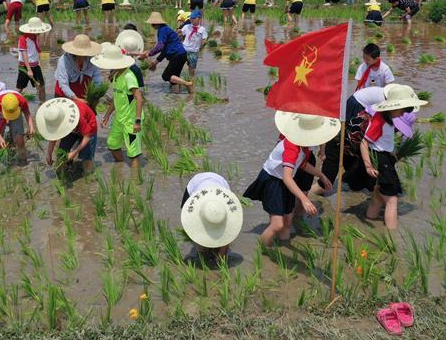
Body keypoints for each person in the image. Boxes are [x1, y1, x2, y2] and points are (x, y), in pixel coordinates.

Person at [243, 112, 338, 246]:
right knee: (277, 224)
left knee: (287, 221)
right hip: (273, 181)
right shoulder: (291, 146)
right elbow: (287, 177)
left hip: (284, 181)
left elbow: (303, 164)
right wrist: (304, 199)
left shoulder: (303, 146)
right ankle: (262, 251)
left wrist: (321, 175)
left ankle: (282, 249)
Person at [350, 85, 426, 230]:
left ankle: (370, 224)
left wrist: (391, 153)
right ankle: (392, 237)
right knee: (392, 200)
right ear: (393, 106)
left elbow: (381, 142)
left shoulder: (388, 118)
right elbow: (364, 143)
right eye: (403, 109)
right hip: (380, 161)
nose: (403, 113)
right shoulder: (379, 120)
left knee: (378, 198)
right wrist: (368, 166)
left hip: (384, 158)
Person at [93, 43, 145, 170]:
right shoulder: (116, 76)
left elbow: (139, 98)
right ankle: (121, 169)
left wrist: (137, 121)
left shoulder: (129, 76)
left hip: (131, 121)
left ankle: (134, 178)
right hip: (119, 119)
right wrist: (106, 115)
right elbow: (116, 100)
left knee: (133, 152)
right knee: (112, 143)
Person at [180, 172, 243, 260]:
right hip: (196, 183)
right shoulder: (194, 209)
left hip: (219, 183)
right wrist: (202, 255)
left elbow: (228, 236)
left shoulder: (228, 211)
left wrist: (220, 259)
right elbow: (195, 233)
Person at [39, 97, 98, 175]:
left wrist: (74, 152)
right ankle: (67, 170)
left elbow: (87, 137)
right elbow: (54, 135)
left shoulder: (78, 116)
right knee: (61, 154)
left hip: (89, 128)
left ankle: (88, 177)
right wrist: (49, 154)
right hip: (72, 129)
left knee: (87, 159)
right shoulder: (55, 116)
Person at [141, 11, 194, 93]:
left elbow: (160, 46)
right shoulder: (165, 29)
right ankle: (176, 97)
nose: (152, 26)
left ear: (157, 23)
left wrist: (149, 53)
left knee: (166, 76)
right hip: (181, 55)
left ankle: (187, 84)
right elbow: (164, 50)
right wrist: (155, 63)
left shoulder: (162, 30)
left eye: (153, 24)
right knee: (174, 79)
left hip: (177, 55)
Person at [0, 90, 34, 164]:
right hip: (0, 115)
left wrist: (31, 127)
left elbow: (27, 114)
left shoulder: (21, 101)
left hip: (16, 114)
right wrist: (0, 138)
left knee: (20, 140)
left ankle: (23, 162)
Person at [54, 34, 102, 100]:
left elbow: (97, 79)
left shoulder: (92, 60)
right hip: (63, 95)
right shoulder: (64, 60)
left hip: (82, 93)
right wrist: (75, 98)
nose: (82, 56)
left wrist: (95, 95)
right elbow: (63, 84)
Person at [16, 17, 51, 103]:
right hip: (25, 67)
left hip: (35, 65)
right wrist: (29, 70)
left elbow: (35, 52)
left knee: (41, 86)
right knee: (20, 88)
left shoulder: (35, 37)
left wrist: (39, 63)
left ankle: (43, 104)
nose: (39, 32)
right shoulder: (23, 39)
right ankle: (11, 103)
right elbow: (24, 55)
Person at [180, 10, 208, 78]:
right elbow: (180, 34)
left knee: (192, 68)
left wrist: (200, 48)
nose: (191, 19)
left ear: (199, 18)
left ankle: (191, 80)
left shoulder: (202, 29)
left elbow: (204, 40)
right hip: (184, 49)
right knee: (179, 65)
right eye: (191, 18)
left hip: (193, 51)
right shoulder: (187, 26)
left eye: (194, 18)